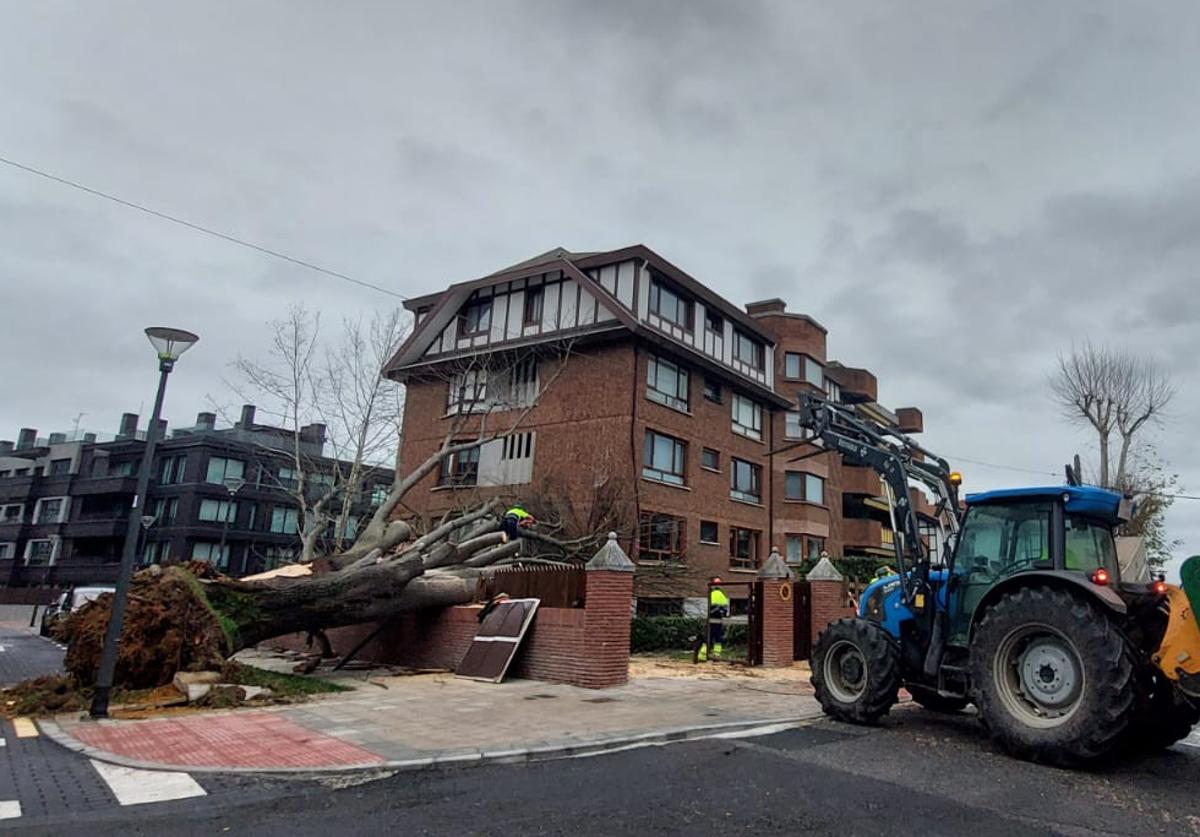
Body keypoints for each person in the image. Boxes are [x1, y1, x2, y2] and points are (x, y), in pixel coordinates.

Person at [697, 577, 730, 662]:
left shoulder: (712, 594)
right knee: (718, 638)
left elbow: (710, 608)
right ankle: (716, 655)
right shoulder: (723, 595)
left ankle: (703, 656)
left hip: (712, 619)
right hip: (719, 620)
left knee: (708, 637)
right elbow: (725, 609)